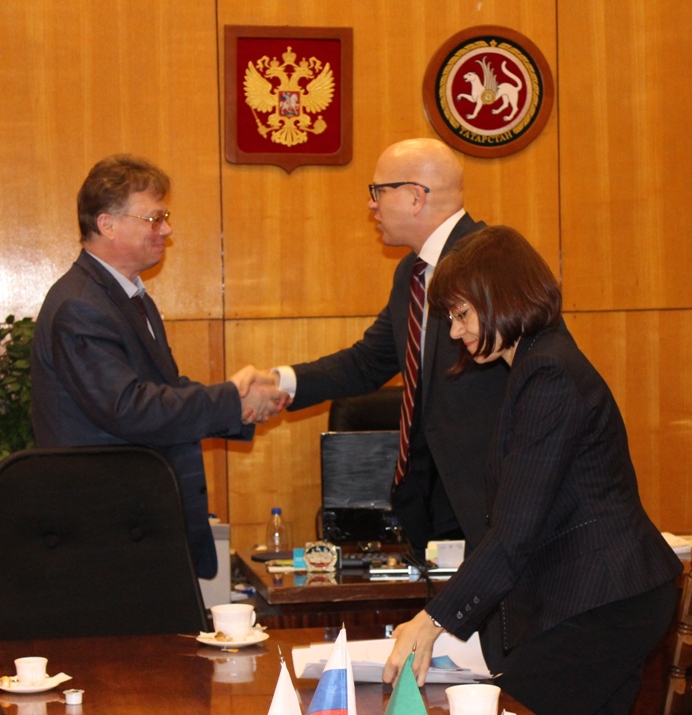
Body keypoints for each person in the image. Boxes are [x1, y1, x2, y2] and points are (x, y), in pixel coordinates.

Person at [382, 225, 682, 715]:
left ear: (501, 297)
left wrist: (430, 621)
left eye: (462, 314)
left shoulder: (548, 373)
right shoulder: (534, 363)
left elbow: (514, 531)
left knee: (505, 705)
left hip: (606, 599)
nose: (455, 332)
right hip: (605, 598)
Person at [30, 154, 289, 579]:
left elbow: (164, 388)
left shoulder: (129, 297)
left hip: (134, 525)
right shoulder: (80, 305)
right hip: (102, 534)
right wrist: (231, 399)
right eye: (154, 219)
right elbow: (129, 408)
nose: (166, 229)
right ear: (107, 224)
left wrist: (239, 403)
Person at [268, 138, 509, 558]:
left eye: (378, 191)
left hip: (487, 504)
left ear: (416, 197)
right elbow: (367, 363)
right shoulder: (412, 273)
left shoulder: (493, 263)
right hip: (429, 502)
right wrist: (280, 382)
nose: (371, 204)